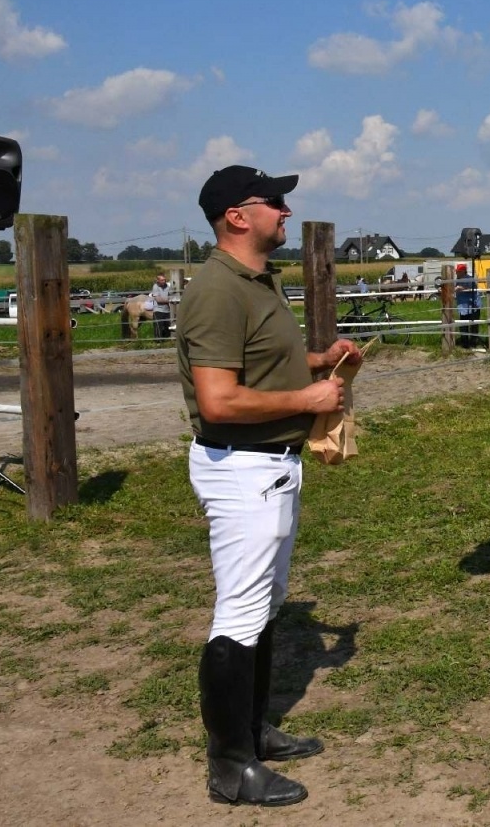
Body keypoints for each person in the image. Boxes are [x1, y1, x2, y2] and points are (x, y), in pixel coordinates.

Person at [178, 165, 362, 807]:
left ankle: (252, 732)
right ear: (237, 216)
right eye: (274, 202)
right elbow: (219, 400)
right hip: (243, 467)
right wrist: (308, 395)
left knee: (266, 601)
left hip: (269, 466)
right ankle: (230, 766)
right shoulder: (218, 291)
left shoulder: (255, 282)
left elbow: (253, 362)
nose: (286, 211)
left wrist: (316, 360)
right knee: (240, 611)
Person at [454, 262, 481, 348]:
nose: (456, 273)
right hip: (463, 307)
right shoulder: (457, 280)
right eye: (456, 271)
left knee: (473, 325)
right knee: (463, 325)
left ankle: (473, 343)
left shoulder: (470, 279)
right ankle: (465, 342)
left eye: (458, 271)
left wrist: (463, 288)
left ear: (463, 272)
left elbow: (473, 289)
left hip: (472, 306)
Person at [148, 272, 173, 339]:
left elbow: (172, 295)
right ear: (158, 280)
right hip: (158, 310)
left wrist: (169, 298)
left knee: (168, 327)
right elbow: (159, 300)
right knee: (158, 327)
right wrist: (170, 300)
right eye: (162, 280)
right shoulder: (155, 287)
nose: (164, 281)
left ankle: (166, 340)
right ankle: (158, 342)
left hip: (167, 310)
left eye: (164, 280)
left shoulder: (167, 286)